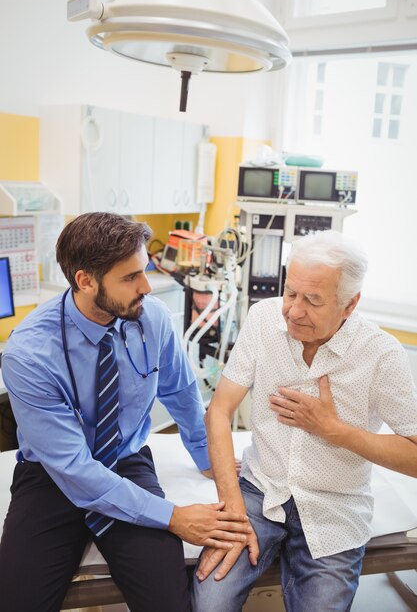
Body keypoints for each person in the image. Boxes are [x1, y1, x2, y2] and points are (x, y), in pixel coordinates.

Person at [0, 212, 251, 612]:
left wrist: (205, 455)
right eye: (130, 277)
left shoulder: (150, 319)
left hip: (124, 461)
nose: (147, 286)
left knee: (168, 600)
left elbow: (180, 389)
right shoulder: (28, 355)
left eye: (144, 271)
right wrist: (173, 517)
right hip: (51, 477)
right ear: (85, 281)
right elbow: (75, 469)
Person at [191, 229, 417, 612]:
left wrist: (335, 431)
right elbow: (219, 411)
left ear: (349, 304)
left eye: (312, 300)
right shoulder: (264, 318)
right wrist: (231, 505)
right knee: (208, 603)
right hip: (259, 492)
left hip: (334, 508)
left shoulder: (381, 355)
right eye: (291, 292)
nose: (294, 311)